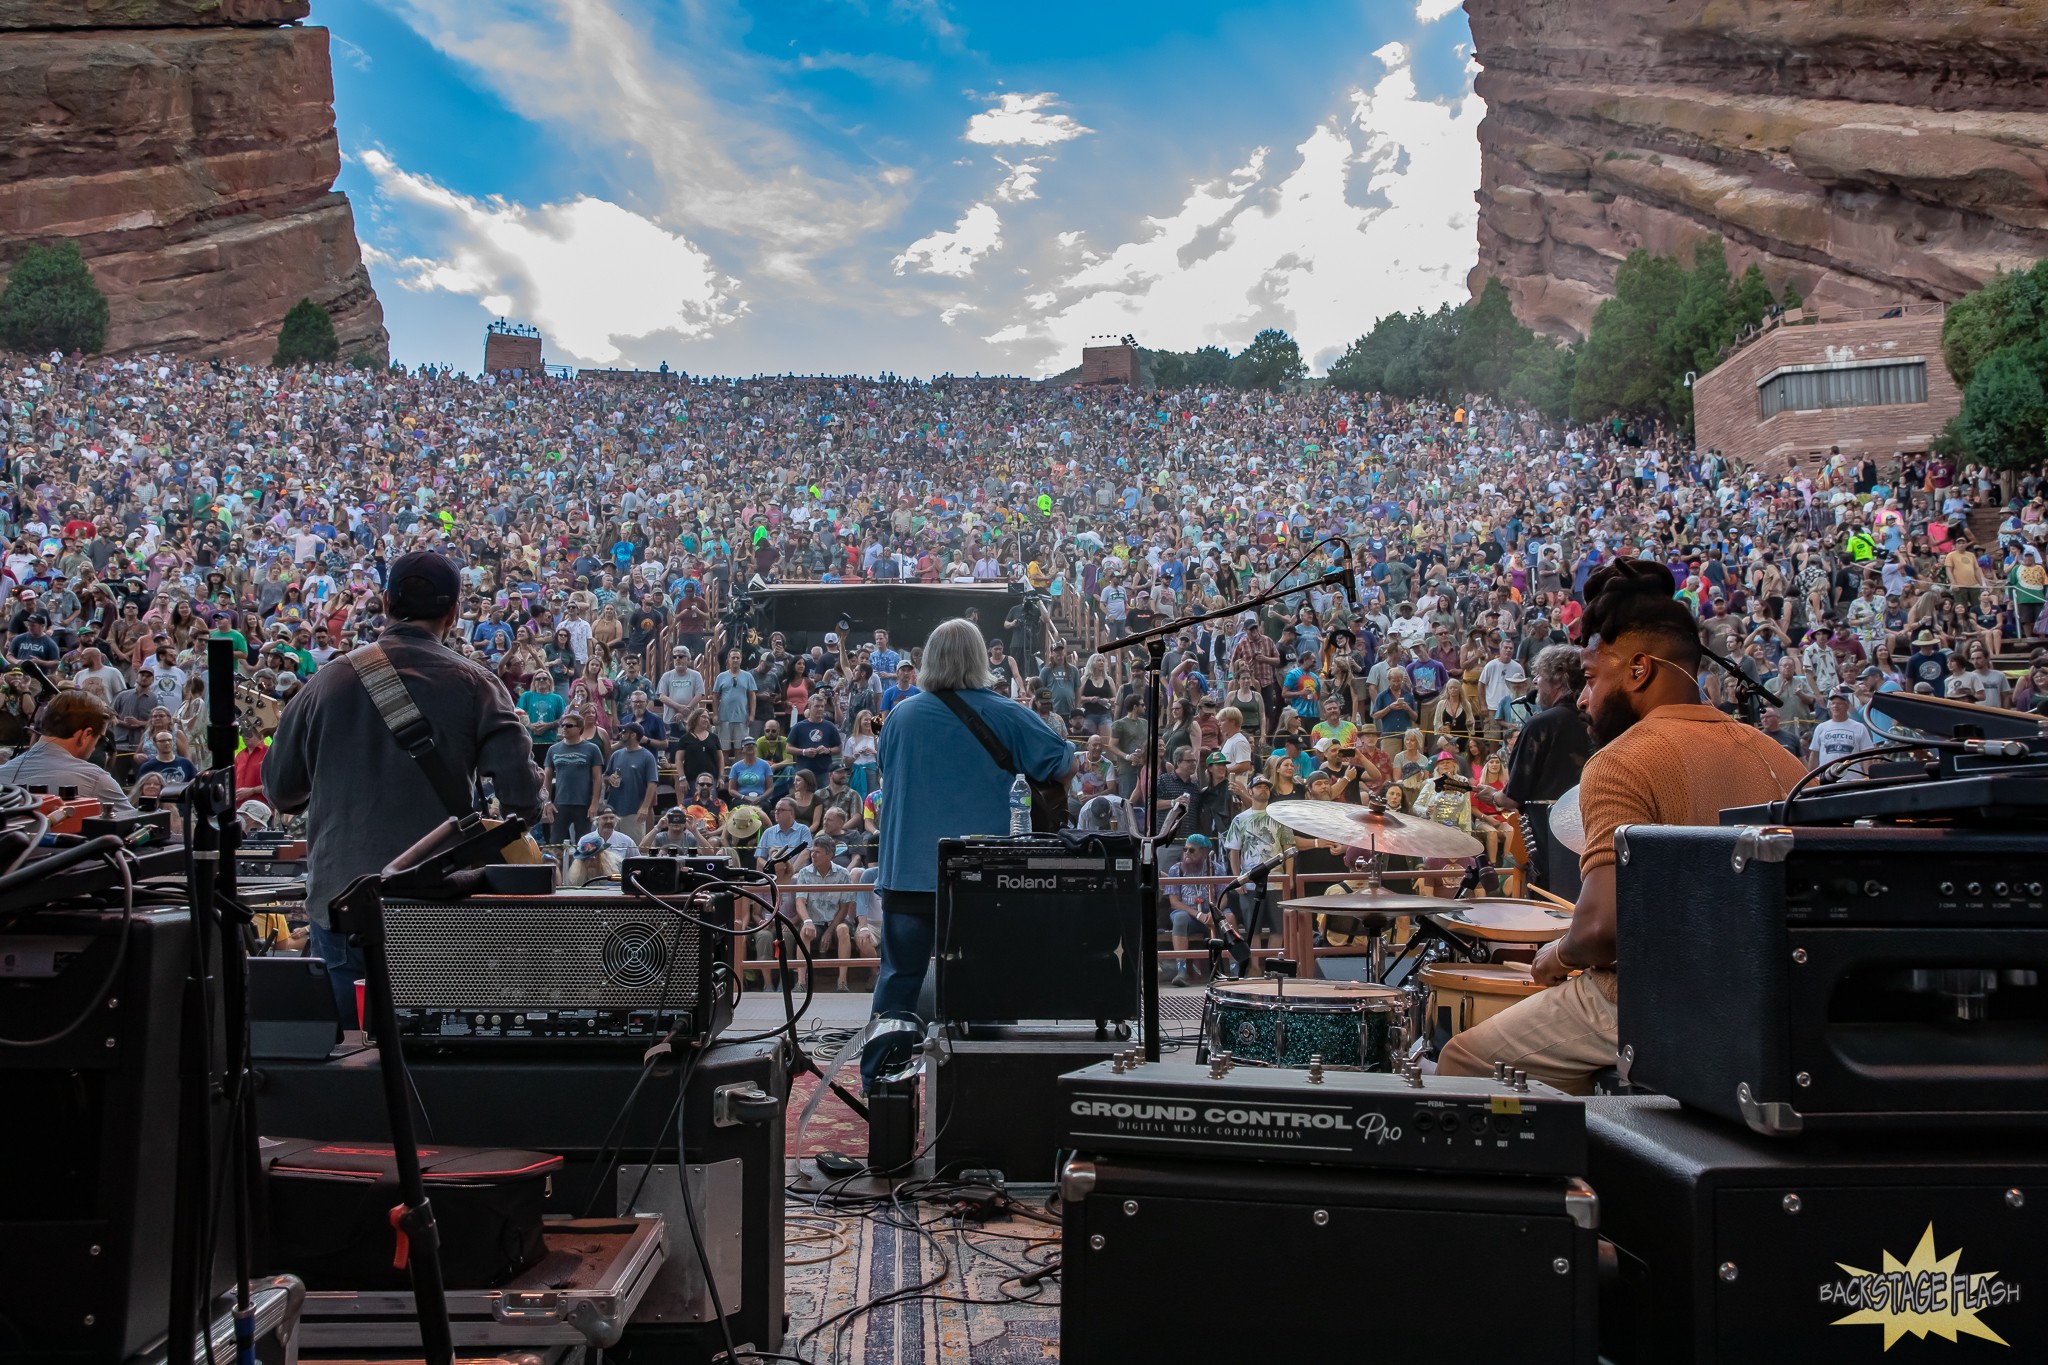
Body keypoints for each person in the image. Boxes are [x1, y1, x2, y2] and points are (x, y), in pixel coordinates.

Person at [1437, 560, 1806, 1094]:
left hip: (1655, 996)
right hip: (1769, 1000)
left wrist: (1554, 956)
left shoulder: (1621, 760)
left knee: (1464, 1060)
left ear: (1638, 671)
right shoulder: (1783, 759)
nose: (1583, 699)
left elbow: (1598, 931)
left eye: (1589, 679)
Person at [265, 551, 542, 1026]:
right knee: (443, 1056)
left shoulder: (324, 682)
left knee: (352, 1060)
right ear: (454, 613)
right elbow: (523, 802)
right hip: (440, 906)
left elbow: (280, 790)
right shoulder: (477, 684)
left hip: (343, 902)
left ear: (387, 601)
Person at [866, 619, 1073, 1080]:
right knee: (988, 986)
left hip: (907, 874)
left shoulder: (898, 716)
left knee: (898, 984)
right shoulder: (1006, 712)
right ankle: (987, 1090)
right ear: (980, 659)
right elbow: (1064, 765)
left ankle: (882, 1090)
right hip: (981, 879)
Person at [0, 690, 132, 813]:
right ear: (86, 734)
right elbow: (137, 828)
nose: (95, 747)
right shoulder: (95, 779)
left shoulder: (3, 771)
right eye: (100, 739)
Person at [601, 722, 661, 840]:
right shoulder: (616, 755)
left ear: (633, 735)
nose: (620, 734)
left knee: (633, 849)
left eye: (624, 732)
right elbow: (605, 776)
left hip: (634, 810)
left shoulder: (647, 756)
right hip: (613, 810)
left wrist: (644, 807)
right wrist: (609, 778)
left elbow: (652, 784)